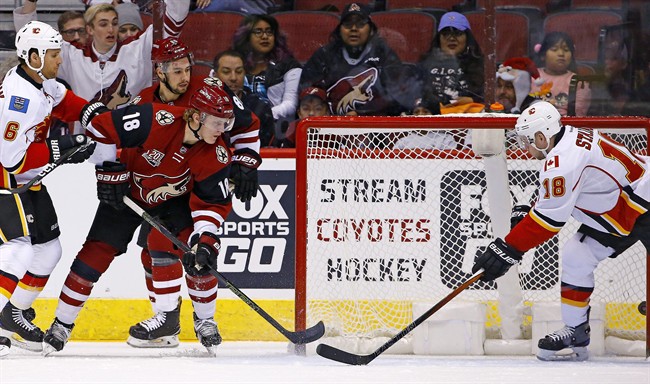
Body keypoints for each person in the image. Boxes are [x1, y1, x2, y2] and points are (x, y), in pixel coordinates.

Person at [42, 83, 239, 356]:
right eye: (217, 122)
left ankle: (205, 320)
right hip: (126, 193)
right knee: (93, 257)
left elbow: (212, 204)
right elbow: (100, 126)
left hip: (173, 203)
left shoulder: (216, 155)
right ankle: (61, 324)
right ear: (196, 116)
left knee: (199, 255)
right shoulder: (155, 119)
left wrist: (205, 239)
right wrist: (109, 169)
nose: (221, 131)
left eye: (226, 124)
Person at [472, 101, 649, 361]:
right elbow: (555, 201)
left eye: (527, 141)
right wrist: (526, 222)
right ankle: (576, 330)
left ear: (542, 137)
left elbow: (549, 221)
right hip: (624, 206)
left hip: (642, 202)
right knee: (577, 255)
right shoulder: (569, 138)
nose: (525, 147)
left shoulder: (562, 161)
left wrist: (508, 249)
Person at [127, 38, 262, 348]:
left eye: (187, 68)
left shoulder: (209, 91)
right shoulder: (144, 103)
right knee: (151, 251)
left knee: (198, 252)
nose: (185, 76)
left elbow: (248, 123)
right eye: (177, 70)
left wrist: (246, 161)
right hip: (164, 191)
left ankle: (204, 320)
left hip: (201, 183)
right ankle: (166, 321)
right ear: (159, 71)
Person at [0, 21, 97, 357]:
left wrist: (91, 113)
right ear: (34, 56)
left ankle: (10, 315)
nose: (60, 60)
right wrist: (62, 147)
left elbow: (63, 99)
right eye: (54, 54)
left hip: (28, 180)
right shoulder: (19, 97)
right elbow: (10, 159)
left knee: (49, 251)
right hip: (5, 181)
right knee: (18, 251)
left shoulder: (39, 82)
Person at [14, 2, 190, 133]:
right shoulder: (73, 55)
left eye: (114, 23)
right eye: (103, 24)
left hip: (133, 142)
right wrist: (30, 2)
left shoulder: (138, 48)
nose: (111, 29)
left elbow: (175, 20)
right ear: (89, 29)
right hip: (87, 142)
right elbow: (31, 40)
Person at [299, 2, 404, 118]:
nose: (353, 29)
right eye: (348, 24)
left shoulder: (384, 55)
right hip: (330, 129)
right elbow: (307, 94)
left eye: (360, 24)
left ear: (371, 29)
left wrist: (361, 114)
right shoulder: (324, 56)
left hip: (377, 129)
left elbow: (397, 97)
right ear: (340, 29)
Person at [232, 14, 302, 127]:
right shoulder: (233, 62)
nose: (265, 36)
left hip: (274, 126)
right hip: (236, 124)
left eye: (269, 32)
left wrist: (261, 117)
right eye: (258, 32)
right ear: (246, 36)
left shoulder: (288, 65)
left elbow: (290, 105)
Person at [418, 11, 484, 110]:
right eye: (445, 34)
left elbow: (486, 98)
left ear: (468, 38)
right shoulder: (425, 63)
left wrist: (471, 101)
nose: (451, 38)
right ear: (438, 39)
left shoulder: (480, 65)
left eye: (457, 33)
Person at [212, 49, 275, 147]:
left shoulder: (260, 108)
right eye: (226, 72)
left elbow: (266, 151)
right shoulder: (203, 106)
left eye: (239, 71)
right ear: (215, 75)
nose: (233, 78)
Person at [530, 32, 591, 116]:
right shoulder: (530, 77)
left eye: (566, 50)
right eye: (554, 49)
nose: (561, 54)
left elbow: (578, 115)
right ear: (543, 55)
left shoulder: (578, 82)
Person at [14, 2, 88, 46]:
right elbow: (27, 31)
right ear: (60, 34)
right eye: (70, 32)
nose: (76, 37)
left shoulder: (95, 53)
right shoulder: (55, 55)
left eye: (81, 31)